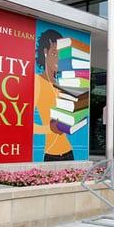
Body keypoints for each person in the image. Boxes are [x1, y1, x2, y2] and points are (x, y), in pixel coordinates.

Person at [34, 29, 74, 161]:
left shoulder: (61, 85)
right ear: (45, 53)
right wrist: (49, 129)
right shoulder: (38, 81)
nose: (58, 59)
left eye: (61, 55)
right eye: (54, 53)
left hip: (69, 152)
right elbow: (27, 124)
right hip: (51, 154)